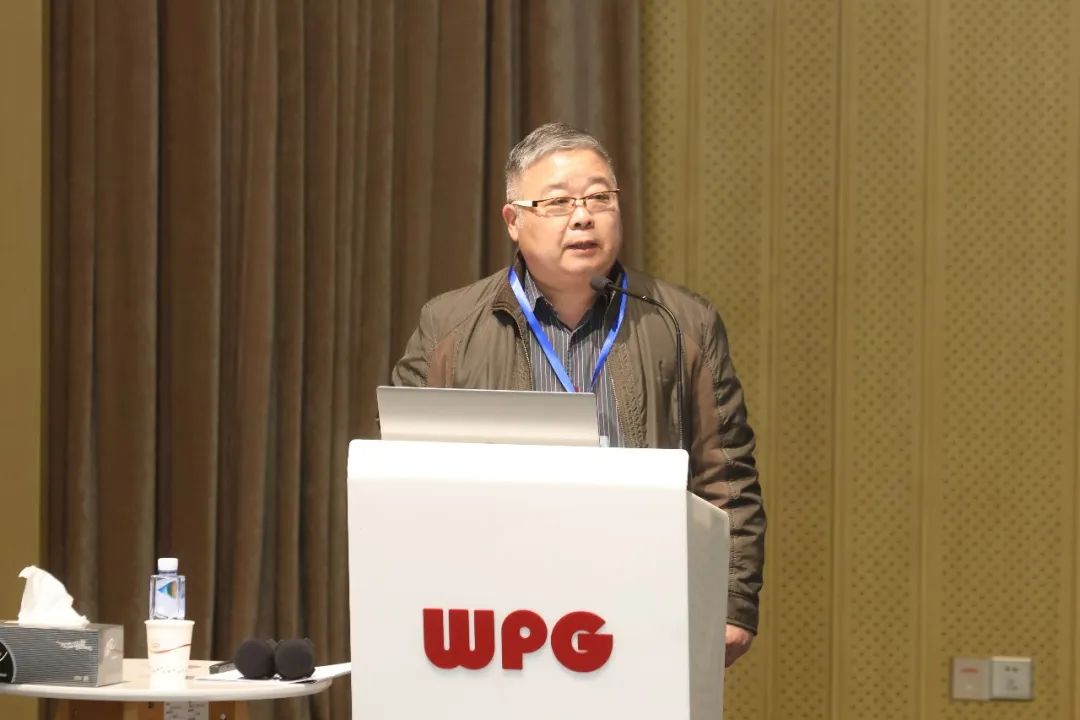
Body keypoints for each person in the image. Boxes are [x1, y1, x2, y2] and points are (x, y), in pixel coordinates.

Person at [392, 122, 765, 667]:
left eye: (599, 197)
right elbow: (400, 476)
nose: (583, 216)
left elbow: (726, 475)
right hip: (497, 617)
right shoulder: (449, 327)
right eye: (558, 202)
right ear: (513, 221)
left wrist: (733, 604)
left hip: (645, 600)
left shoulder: (682, 323)